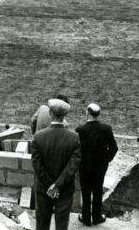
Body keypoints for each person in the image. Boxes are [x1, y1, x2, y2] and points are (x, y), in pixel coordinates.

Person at [30, 98, 81, 230]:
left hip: (43, 188)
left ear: (50, 113)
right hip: (64, 189)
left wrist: (49, 185)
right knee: (62, 224)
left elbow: (37, 165)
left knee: (41, 223)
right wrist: (57, 185)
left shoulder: (38, 137)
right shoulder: (74, 138)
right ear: (65, 115)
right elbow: (72, 166)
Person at [75, 103, 118, 227]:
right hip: (100, 167)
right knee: (98, 191)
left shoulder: (80, 130)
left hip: (84, 167)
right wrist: (106, 159)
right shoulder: (106, 129)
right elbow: (114, 148)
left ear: (87, 113)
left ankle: (86, 217)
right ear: (98, 114)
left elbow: (76, 150)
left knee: (86, 191)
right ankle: (97, 217)